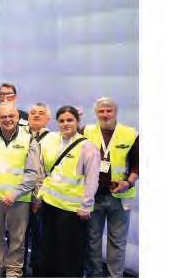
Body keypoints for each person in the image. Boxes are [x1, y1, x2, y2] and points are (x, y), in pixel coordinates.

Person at [0, 102, 41, 278]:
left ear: (17, 117)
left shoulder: (29, 141)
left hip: (19, 199)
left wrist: (15, 194)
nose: (8, 119)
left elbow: (32, 174)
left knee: (17, 239)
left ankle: (13, 270)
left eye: (11, 116)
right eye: (3, 116)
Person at [36, 105, 100, 278]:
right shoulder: (51, 140)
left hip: (72, 209)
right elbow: (42, 168)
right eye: (62, 120)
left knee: (70, 253)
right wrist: (40, 195)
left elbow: (92, 179)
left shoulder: (88, 147)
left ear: (78, 121)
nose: (66, 124)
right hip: (49, 204)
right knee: (50, 249)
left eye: (70, 120)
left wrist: (86, 206)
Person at [83, 97, 139, 278]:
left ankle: (115, 276)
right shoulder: (86, 131)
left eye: (109, 111)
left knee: (117, 242)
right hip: (93, 196)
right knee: (92, 241)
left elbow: (137, 164)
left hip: (120, 197)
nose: (105, 114)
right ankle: (94, 275)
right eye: (101, 111)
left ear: (116, 112)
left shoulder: (130, 134)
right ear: (96, 113)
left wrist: (128, 182)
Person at [23, 102, 52, 275]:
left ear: (48, 118)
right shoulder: (19, 136)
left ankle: (38, 270)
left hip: (43, 195)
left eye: (41, 113)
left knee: (41, 237)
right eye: (33, 112)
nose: (36, 115)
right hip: (20, 194)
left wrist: (39, 197)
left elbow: (53, 171)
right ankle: (17, 269)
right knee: (18, 237)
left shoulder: (54, 140)